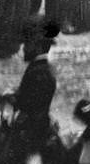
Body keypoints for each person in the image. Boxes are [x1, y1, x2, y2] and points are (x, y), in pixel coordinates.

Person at [11, 14, 60, 154]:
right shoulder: (42, 68)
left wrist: (13, 98)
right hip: (37, 128)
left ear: (38, 46)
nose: (24, 49)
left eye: (27, 44)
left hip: (33, 133)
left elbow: (30, 105)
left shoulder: (39, 72)